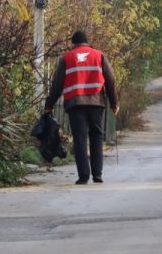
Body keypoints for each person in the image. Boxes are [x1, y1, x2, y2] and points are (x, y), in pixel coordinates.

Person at [45, 31, 119, 185]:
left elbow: (57, 85)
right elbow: (110, 79)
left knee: (80, 139)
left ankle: (83, 176)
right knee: (96, 136)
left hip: (75, 103)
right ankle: (97, 174)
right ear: (87, 41)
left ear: (73, 43)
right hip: (96, 102)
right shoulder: (99, 55)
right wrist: (114, 103)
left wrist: (49, 105)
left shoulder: (66, 58)